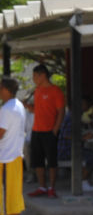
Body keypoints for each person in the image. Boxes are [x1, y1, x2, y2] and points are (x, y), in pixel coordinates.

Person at [27, 64, 65, 198]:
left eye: (35, 76)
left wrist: (55, 129)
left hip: (50, 131)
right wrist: (27, 106)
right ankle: (42, 187)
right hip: (36, 130)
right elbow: (37, 109)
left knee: (52, 161)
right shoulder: (37, 90)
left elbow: (61, 111)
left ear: (42, 75)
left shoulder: (55, 91)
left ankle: (51, 188)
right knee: (38, 161)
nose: (33, 79)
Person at [0, 77, 27, 215]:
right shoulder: (19, 105)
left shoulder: (6, 109)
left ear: (6, 89)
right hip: (15, 155)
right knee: (14, 194)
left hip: (6, 157)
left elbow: (0, 132)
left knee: (9, 196)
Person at [56, 107, 93, 192]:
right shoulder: (72, 117)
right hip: (66, 151)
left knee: (91, 154)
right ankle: (82, 182)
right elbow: (67, 135)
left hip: (67, 149)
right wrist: (83, 137)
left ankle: (82, 180)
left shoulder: (71, 115)